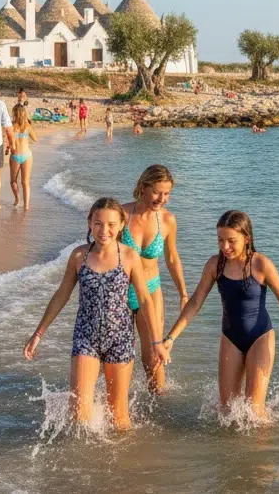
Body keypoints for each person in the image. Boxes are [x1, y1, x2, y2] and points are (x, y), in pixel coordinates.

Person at [23, 197, 169, 430]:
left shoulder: (129, 256)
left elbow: (144, 300)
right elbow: (62, 295)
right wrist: (38, 333)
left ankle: (122, 464)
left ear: (121, 225)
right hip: (85, 338)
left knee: (119, 419)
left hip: (120, 339)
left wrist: (156, 342)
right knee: (79, 415)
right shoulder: (79, 256)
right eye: (98, 223)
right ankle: (81, 464)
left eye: (111, 224)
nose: (105, 230)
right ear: (90, 223)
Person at [163, 210, 279, 417]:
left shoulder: (261, 264)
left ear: (246, 238)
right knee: (227, 410)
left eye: (231, 241)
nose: (225, 247)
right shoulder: (215, 265)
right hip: (230, 337)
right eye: (220, 240)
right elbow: (194, 303)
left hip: (260, 337)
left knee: (254, 412)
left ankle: (263, 448)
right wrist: (171, 338)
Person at [120, 165, 188, 392]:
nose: (163, 198)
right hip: (120, 292)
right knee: (119, 354)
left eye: (167, 193)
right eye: (158, 192)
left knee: (152, 356)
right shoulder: (121, 215)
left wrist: (183, 293)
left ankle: (158, 405)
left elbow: (172, 258)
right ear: (143, 187)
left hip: (150, 289)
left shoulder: (167, 221)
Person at [9, 103, 38, 208]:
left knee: (18, 182)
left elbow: (35, 139)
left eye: (14, 113)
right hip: (23, 155)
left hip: (21, 156)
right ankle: (22, 203)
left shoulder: (13, 125)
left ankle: (23, 203)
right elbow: (35, 139)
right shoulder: (24, 126)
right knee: (20, 182)